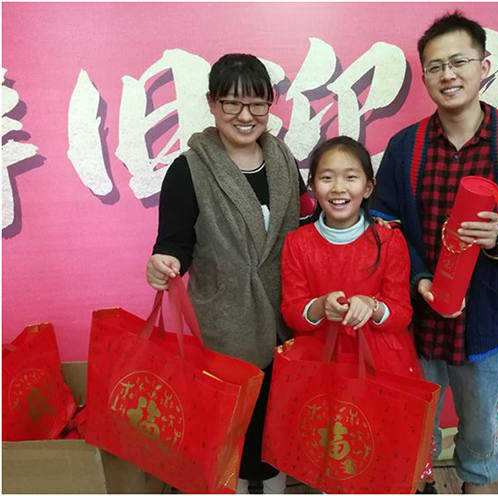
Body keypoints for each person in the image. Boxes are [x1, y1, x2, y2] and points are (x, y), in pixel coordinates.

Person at [370, 12, 498, 494]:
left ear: (484, 66)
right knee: (413, 424)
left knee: (480, 429)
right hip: (417, 320)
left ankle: (476, 486)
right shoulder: (405, 147)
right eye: (435, 67)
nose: (447, 75)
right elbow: (384, 224)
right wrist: (418, 278)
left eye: (459, 62)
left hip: (487, 319)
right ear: (425, 77)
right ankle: (419, 484)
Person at [146, 53, 313, 494]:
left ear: (270, 105)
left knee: (277, 430)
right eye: (232, 103)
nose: (245, 115)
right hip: (226, 322)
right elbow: (174, 242)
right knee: (232, 434)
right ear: (211, 103)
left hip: (285, 317)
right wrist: (164, 262)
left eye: (257, 104)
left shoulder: (282, 159)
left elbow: (304, 226)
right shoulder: (190, 169)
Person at [280, 136, 436, 491]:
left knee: (384, 450)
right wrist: (320, 306)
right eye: (327, 177)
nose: (338, 188)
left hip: (384, 364)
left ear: (368, 187)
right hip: (324, 364)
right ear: (312, 186)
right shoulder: (298, 243)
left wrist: (374, 306)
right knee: (335, 451)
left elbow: (402, 312)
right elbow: (291, 311)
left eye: (350, 177)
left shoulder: (389, 241)